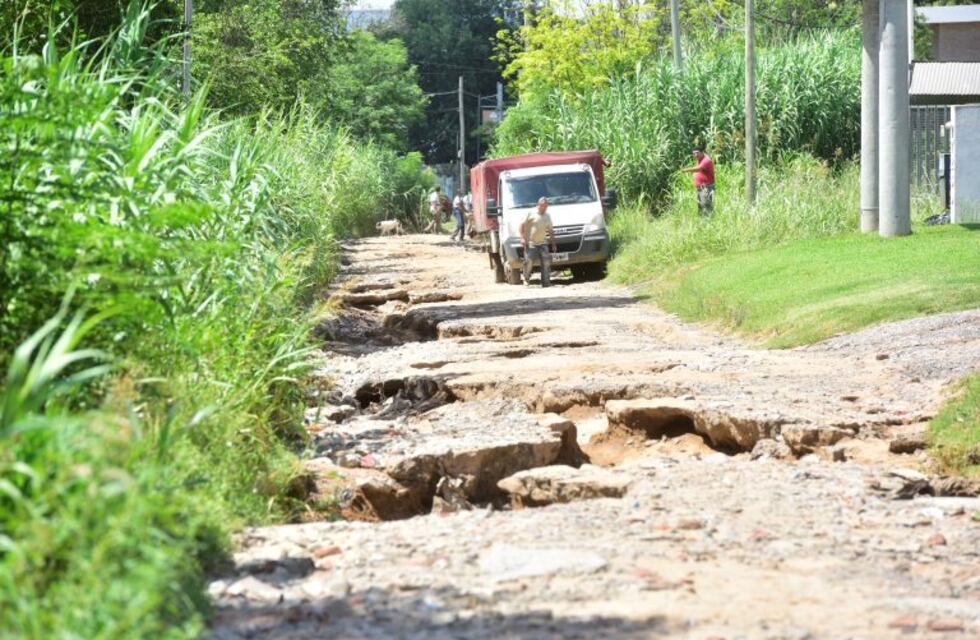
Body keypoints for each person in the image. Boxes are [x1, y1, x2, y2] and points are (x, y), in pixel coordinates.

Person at [520, 197, 557, 288]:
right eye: (543, 206)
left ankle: (545, 282)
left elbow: (551, 231)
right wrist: (522, 238)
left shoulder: (547, 216)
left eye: (546, 206)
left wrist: (553, 244)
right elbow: (521, 225)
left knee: (546, 262)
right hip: (531, 243)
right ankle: (526, 279)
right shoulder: (530, 213)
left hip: (543, 243)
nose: (544, 208)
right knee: (528, 262)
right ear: (538, 205)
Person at [681, 145, 715, 216]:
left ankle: (708, 224)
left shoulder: (706, 160)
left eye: (697, 153)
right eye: (694, 153)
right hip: (700, 188)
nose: (695, 155)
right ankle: (702, 224)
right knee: (701, 207)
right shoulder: (699, 159)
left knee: (706, 207)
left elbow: (698, 169)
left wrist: (685, 170)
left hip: (706, 188)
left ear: (702, 152)